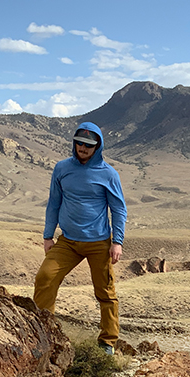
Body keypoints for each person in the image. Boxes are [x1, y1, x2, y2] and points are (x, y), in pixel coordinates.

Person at [34, 122, 127, 354]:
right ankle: (43, 332)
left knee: (105, 292)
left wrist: (117, 241)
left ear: (98, 147)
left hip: (99, 243)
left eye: (89, 145)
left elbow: (119, 209)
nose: (83, 148)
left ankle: (107, 342)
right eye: (79, 143)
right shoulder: (62, 168)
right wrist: (48, 235)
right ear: (74, 143)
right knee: (45, 278)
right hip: (68, 242)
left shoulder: (108, 174)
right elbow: (54, 202)